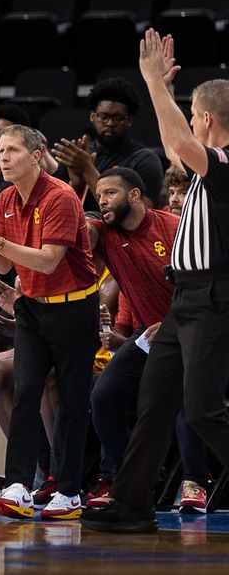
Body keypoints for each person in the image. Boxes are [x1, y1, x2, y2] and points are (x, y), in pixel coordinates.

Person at [82, 34, 229, 533]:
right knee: (153, 403)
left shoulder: (227, 163)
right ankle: (132, 505)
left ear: (206, 120)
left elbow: (181, 145)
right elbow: (174, 143)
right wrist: (161, 94)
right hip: (185, 298)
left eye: (192, 113)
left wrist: (150, 81)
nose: (187, 123)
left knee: (205, 412)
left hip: (214, 297)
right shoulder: (206, 166)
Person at [0, 124, 99, 521]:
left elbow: (48, 259)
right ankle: (18, 485)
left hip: (74, 309)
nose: (4, 157)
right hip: (31, 308)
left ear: (36, 155)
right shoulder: (5, 199)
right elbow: (6, 264)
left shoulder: (60, 196)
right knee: (25, 391)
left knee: (71, 399)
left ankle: (70, 492)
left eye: (12, 150)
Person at [83, 167, 208, 511]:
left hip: (191, 329)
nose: (102, 201)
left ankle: (194, 482)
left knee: (185, 400)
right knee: (104, 394)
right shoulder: (104, 232)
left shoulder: (173, 227)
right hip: (146, 336)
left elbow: (199, 290)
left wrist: (171, 323)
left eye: (110, 193)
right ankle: (128, 483)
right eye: (98, 195)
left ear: (135, 195)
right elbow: (82, 233)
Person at [52, 77, 165, 211]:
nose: (110, 123)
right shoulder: (77, 155)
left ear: (129, 120)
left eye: (118, 118)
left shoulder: (144, 159)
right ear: (93, 117)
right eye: (104, 117)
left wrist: (88, 170)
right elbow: (52, 208)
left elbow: (142, 213)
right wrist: (76, 185)